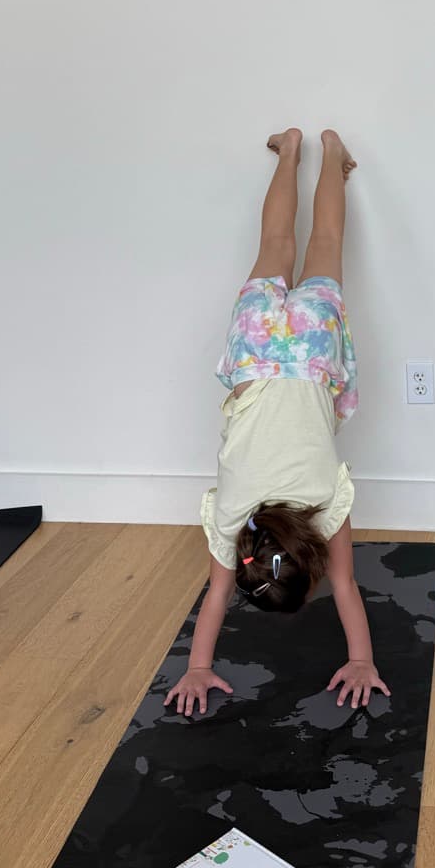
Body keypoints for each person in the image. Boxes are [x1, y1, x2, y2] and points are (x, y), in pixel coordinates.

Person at [165, 129, 388, 717]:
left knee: (325, 240)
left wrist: (362, 659)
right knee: (276, 241)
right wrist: (197, 667)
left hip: (312, 348)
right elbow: (216, 594)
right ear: (251, 555)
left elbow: (345, 586)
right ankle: (291, 150)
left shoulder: (322, 506)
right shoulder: (234, 518)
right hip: (257, 346)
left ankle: (332, 158)